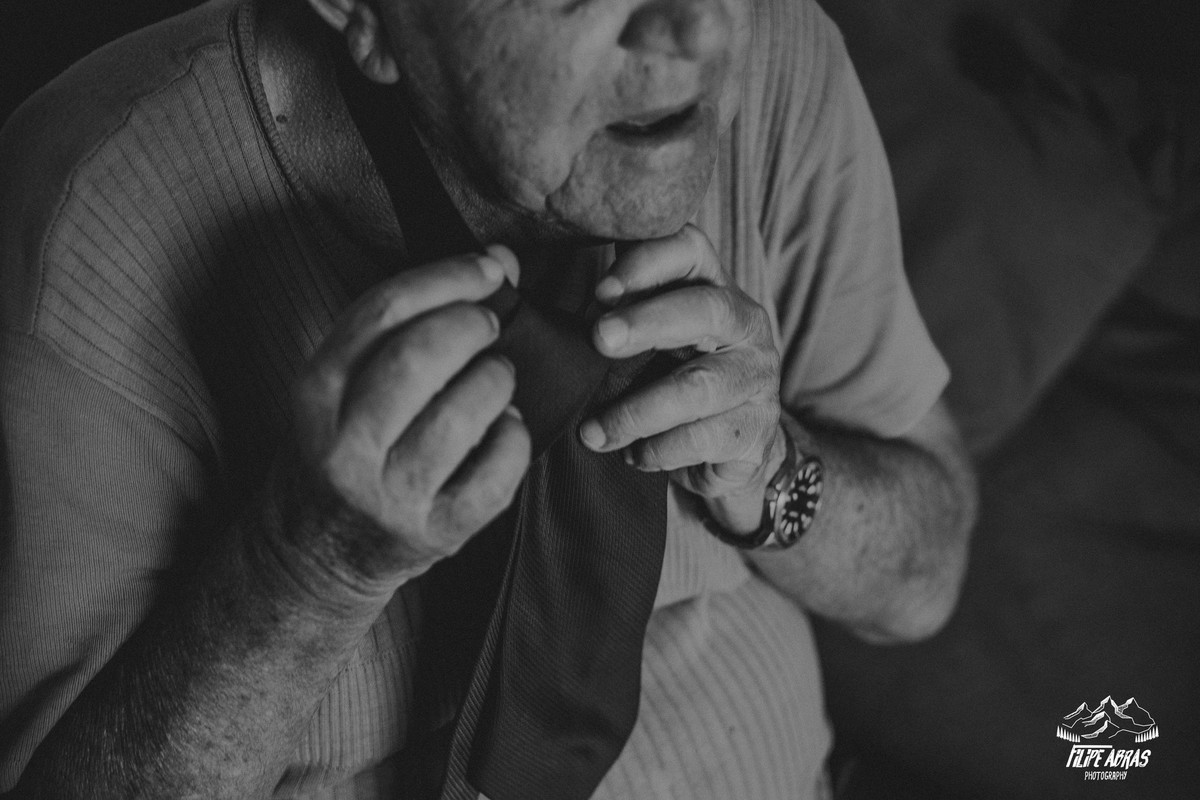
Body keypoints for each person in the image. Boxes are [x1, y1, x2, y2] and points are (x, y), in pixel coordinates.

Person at [0, 0, 976, 797]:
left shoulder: (777, 53)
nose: (700, 31)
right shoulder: (85, 222)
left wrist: (773, 469)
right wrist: (307, 568)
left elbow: (923, 582)